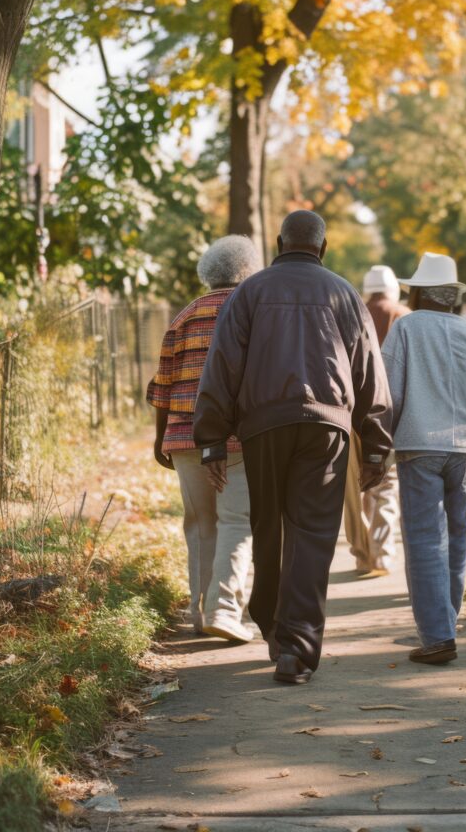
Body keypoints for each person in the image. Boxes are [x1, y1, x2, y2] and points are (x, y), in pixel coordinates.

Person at [193, 211, 393, 685]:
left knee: (270, 529)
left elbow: (221, 365)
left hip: (263, 425)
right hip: (327, 427)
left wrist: (211, 441)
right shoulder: (343, 293)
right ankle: (297, 649)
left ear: (280, 243)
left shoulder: (249, 292)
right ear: (322, 248)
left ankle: (274, 626)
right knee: (313, 535)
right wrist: (376, 446)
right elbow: (370, 371)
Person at [382, 252, 466, 665]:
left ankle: (438, 636)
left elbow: (389, 396)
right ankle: (446, 626)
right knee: (456, 538)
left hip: (421, 445)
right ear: (452, 297)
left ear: (418, 294)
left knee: (424, 540)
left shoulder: (405, 329)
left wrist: (381, 447)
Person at [147, 235, 262, 643]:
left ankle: (200, 612)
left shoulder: (184, 317)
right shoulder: (253, 310)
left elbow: (162, 386)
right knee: (237, 520)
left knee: (199, 525)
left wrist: (161, 440)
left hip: (183, 437)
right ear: (249, 270)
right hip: (236, 438)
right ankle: (225, 610)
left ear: (207, 273)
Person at [343, 265, 410, 579]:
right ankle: (381, 554)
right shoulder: (403, 315)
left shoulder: (352, 313)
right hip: (391, 412)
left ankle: (361, 555)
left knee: (355, 486)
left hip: (355, 412)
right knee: (386, 483)